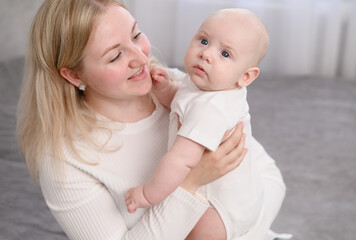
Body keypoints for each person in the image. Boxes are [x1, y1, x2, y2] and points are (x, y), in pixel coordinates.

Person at [16, 1, 248, 240]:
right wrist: (191, 182)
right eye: (115, 56)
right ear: (74, 75)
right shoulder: (64, 161)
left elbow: (268, 177)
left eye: (136, 35)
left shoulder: (175, 87)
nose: (141, 58)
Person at [126, 8, 289, 240]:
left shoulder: (212, 109)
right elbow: (183, 105)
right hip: (245, 193)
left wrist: (148, 194)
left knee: (200, 233)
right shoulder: (205, 84)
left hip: (224, 208)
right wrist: (166, 90)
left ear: (246, 77)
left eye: (225, 54)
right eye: (204, 41)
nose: (206, 54)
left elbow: (180, 161)